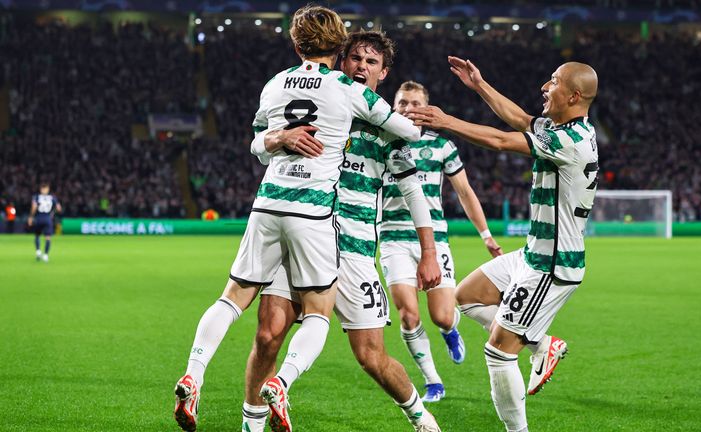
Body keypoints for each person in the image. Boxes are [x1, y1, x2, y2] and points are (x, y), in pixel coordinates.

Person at [173, 6, 423, 432]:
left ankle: (193, 373)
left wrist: (277, 137)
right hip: (312, 214)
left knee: (232, 297)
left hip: (267, 204)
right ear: (340, 48)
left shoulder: (275, 83)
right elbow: (412, 131)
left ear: (295, 43)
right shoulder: (346, 88)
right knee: (317, 313)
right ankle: (281, 384)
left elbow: (255, 142)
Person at [244, 31, 442, 432]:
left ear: (383, 73)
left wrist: (429, 252)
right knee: (268, 335)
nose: (361, 67)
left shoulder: (387, 128)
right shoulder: (318, 107)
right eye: (355, 58)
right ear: (341, 60)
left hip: (353, 248)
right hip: (301, 235)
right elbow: (263, 145)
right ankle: (251, 425)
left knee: (371, 357)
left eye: (371, 62)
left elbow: (413, 191)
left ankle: (421, 418)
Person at [407, 57, 598, 432]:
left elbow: (499, 140)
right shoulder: (563, 127)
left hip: (551, 265)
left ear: (575, 96)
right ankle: (541, 345)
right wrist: (479, 85)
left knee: (498, 353)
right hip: (533, 253)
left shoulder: (569, 140)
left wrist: (446, 122)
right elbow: (521, 120)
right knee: (465, 296)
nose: (546, 85)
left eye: (555, 81)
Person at [378, 80, 503, 402]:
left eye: (416, 103)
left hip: (433, 240)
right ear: (394, 106)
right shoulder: (379, 142)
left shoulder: (442, 147)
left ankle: (450, 330)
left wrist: (486, 235)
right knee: (408, 314)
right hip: (392, 237)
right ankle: (433, 381)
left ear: (427, 108)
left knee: (442, 316)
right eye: (403, 102)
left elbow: (464, 192)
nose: (409, 108)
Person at [27, 183, 62, 262]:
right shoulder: (52, 197)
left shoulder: (36, 197)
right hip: (47, 218)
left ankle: (38, 252)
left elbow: (34, 207)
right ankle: (45, 255)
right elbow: (59, 208)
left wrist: (31, 217)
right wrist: (53, 213)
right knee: (48, 238)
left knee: (37, 235)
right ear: (47, 189)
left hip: (39, 218)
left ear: (41, 189)